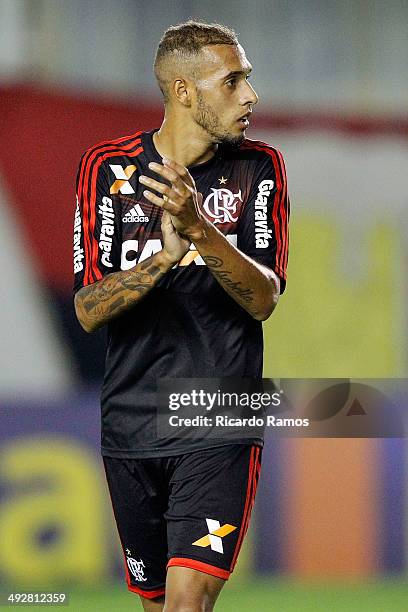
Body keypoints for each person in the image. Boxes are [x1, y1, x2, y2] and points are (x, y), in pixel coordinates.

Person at [73, 20, 289, 612]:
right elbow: (88, 308)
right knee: (158, 604)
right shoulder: (108, 169)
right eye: (234, 80)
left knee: (185, 606)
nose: (251, 95)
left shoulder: (259, 168)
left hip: (219, 413)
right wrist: (164, 260)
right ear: (184, 91)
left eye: (248, 79)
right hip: (131, 423)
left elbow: (263, 298)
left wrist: (200, 230)